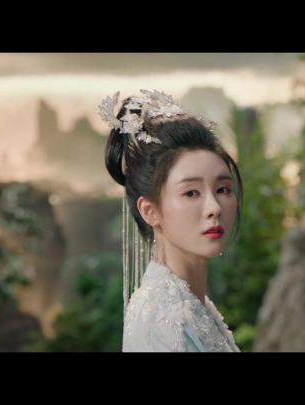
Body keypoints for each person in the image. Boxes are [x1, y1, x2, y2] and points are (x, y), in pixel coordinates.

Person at [101, 89, 242, 352]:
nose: (214, 208)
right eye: (191, 193)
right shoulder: (162, 320)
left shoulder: (190, 304)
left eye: (223, 189)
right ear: (150, 210)